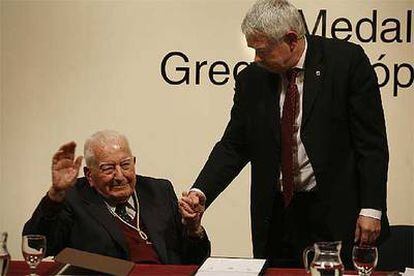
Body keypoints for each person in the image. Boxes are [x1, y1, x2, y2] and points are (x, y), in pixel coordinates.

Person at [179, 0, 389, 268]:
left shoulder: (346, 62)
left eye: (261, 50)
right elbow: (234, 144)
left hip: (335, 213)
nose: (255, 58)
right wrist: (201, 191)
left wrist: (372, 208)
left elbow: (371, 144)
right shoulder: (253, 78)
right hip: (277, 215)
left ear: (291, 40)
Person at [23, 130, 210, 264]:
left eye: (125, 165)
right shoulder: (74, 197)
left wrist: (194, 231)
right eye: (108, 168)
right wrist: (55, 194)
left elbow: (195, 261)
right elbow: (37, 246)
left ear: (134, 163)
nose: (120, 176)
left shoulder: (159, 191)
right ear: (89, 175)